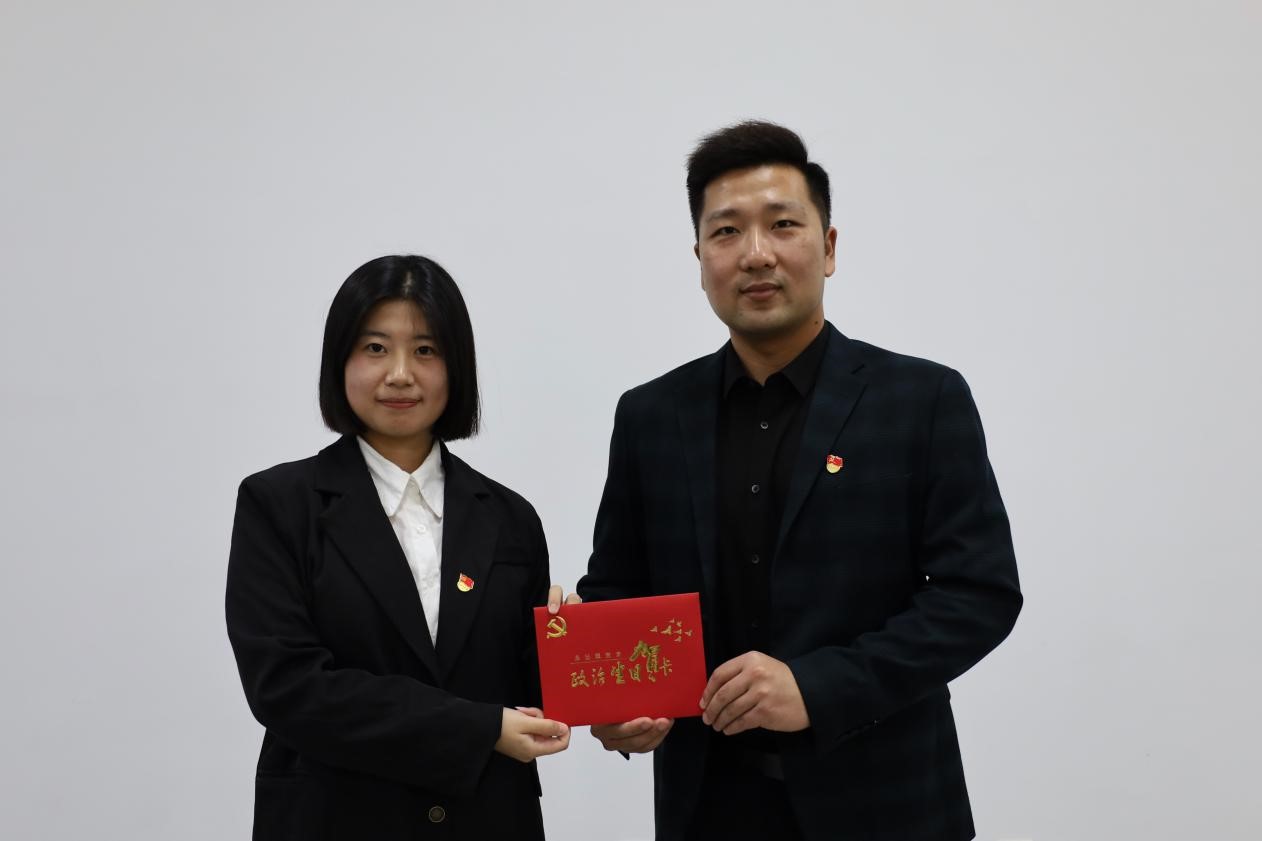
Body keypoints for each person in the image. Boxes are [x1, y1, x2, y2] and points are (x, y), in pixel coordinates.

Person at [574, 122, 1023, 841]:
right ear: (700, 259)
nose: (756, 253)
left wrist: (817, 686)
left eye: (782, 224)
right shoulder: (650, 415)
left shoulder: (921, 400)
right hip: (707, 808)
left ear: (829, 246)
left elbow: (978, 595)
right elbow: (618, 589)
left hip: (888, 805)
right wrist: (617, 704)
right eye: (726, 231)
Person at [226, 255, 571, 840]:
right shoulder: (278, 505)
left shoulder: (511, 518)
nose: (401, 374)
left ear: (457, 367)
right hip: (334, 820)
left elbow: (528, 692)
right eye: (375, 348)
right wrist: (477, 728)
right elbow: (288, 688)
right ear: (339, 361)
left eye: (426, 350)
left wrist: (572, 644)